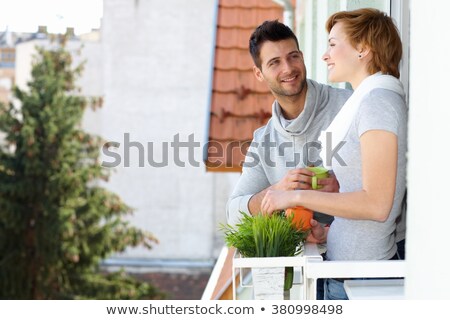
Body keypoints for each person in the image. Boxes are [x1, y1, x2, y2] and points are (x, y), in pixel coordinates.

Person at [261, 8, 407, 300]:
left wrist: (293, 196)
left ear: (363, 48)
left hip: (362, 280)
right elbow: (364, 198)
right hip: (346, 271)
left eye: (332, 44)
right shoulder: (367, 100)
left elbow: (378, 205)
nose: (325, 55)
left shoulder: (378, 102)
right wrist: (331, 227)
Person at [226, 20, 351, 229]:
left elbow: (382, 190)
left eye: (293, 57)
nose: (288, 68)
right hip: (305, 257)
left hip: (361, 255)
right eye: (274, 62)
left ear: (302, 57)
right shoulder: (263, 141)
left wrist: (342, 189)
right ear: (259, 73)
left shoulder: (347, 106)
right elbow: (233, 213)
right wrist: (276, 191)